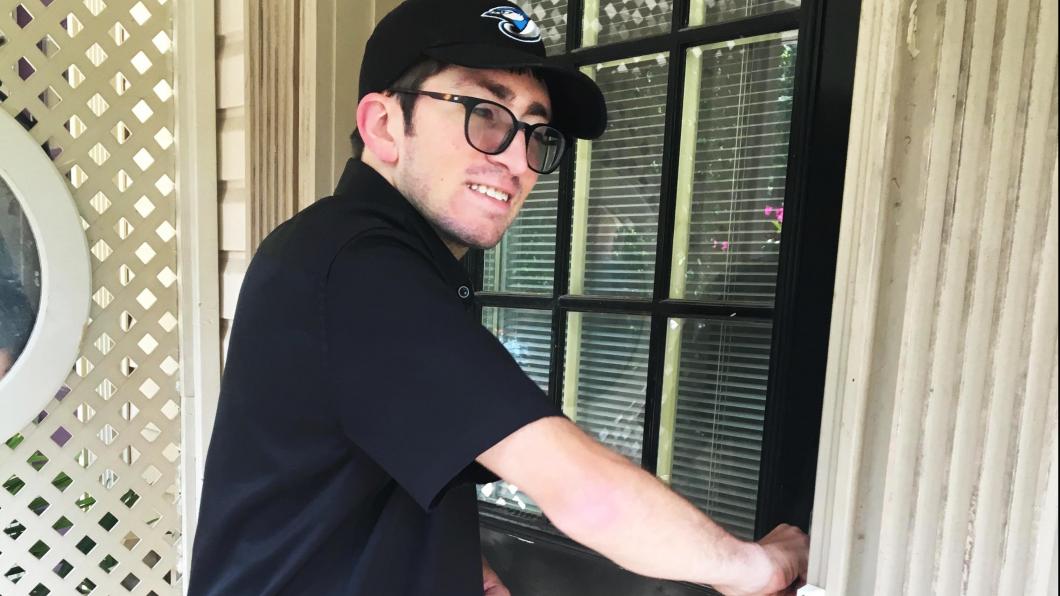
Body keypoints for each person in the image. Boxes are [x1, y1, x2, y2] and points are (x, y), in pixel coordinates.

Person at [187, 2, 809, 595]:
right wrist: (756, 567)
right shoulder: (357, 269)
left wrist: (446, 558)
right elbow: (585, 494)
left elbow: (368, 465)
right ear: (383, 126)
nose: (518, 158)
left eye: (538, 134)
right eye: (485, 112)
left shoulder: (365, 257)